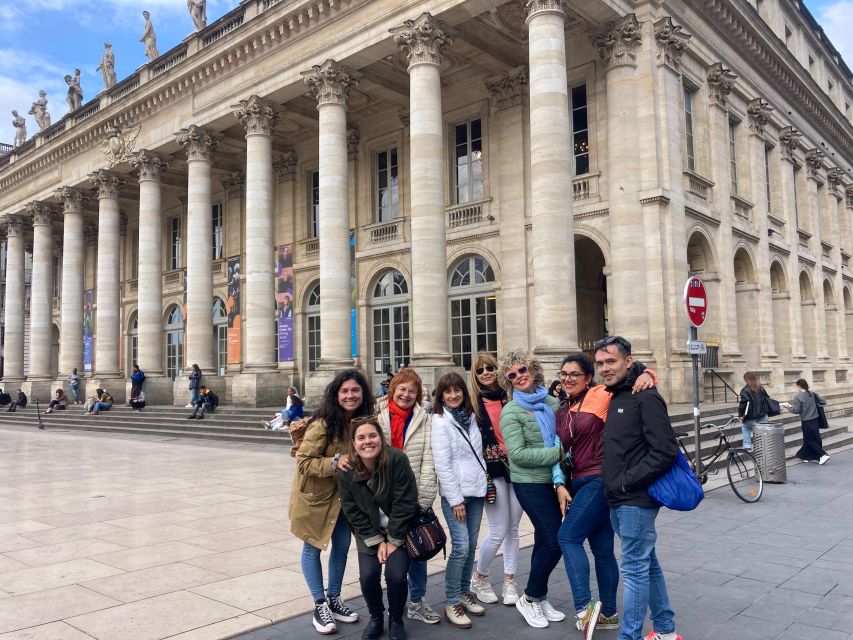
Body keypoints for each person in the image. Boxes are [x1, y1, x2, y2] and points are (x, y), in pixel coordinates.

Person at [556, 353, 656, 637]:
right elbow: (561, 450)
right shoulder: (563, 408)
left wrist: (647, 373)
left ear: (589, 378)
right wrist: (559, 484)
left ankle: (584, 609)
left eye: (575, 374)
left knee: (567, 536)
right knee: (601, 548)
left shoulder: (601, 394)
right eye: (564, 373)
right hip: (577, 481)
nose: (568, 378)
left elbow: (629, 376)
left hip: (599, 479)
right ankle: (609, 614)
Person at [596, 336, 681, 640]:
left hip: (635, 497)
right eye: (601, 363)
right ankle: (666, 630)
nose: (605, 368)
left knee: (633, 569)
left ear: (628, 361)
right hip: (618, 497)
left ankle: (629, 636)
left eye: (611, 361)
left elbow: (665, 450)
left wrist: (626, 481)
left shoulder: (645, 396)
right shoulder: (617, 395)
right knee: (647, 563)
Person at [289, 369, 374, 634]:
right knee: (312, 548)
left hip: (344, 499)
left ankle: (335, 598)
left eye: (355, 390)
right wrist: (334, 462)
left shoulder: (363, 421)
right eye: (345, 391)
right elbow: (304, 461)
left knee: (341, 546)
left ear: (363, 393)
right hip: (316, 497)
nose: (350, 396)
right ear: (336, 395)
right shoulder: (323, 423)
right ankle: (319, 604)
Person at [499, 350, 566, 629]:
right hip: (529, 482)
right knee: (555, 540)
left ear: (533, 370)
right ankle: (529, 597)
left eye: (522, 370)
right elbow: (518, 454)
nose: (519, 377)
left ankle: (538, 597)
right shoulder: (511, 411)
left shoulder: (551, 402)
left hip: (554, 481)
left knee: (543, 540)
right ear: (509, 382)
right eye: (512, 375)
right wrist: (558, 454)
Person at [338, 416, 419, 640]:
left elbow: (406, 500)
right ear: (353, 443)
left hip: (399, 529)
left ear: (381, 439)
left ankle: (395, 619)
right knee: (368, 576)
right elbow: (351, 510)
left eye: (372, 436)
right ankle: (376, 617)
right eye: (361, 437)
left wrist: (393, 540)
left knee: (396, 576)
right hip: (369, 532)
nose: (367, 441)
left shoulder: (397, 459)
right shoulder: (346, 470)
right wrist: (376, 540)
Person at [376, 368, 439, 626]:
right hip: (382, 497)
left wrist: (422, 501)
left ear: (418, 394)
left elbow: (429, 462)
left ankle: (417, 601)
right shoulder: (377, 417)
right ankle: (385, 606)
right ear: (392, 390)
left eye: (412, 390)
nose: (406, 394)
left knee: (417, 551)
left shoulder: (424, 418)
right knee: (383, 555)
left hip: (411, 498)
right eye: (402, 389)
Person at [432, 371, 488, 628]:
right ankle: (452, 599)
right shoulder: (440, 422)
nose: (453, 396)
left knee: (472, 544)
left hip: (476, 491)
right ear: (441, 395)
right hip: (456, 495)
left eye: (457, 391)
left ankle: (465, 591)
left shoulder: (472, 418)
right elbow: (442, 465)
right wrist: (455, 500)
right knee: (461, 547)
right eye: (448, 391)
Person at [468, 351, 520, 607]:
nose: (486, 372)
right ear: (475, 376)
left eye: (490, 367)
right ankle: (480, 575)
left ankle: (510, 580)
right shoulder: (472, 405)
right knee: (499, 530)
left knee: (513, 529)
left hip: (519, 468)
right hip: (492, 471)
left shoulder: (511, 395)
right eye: (480, 370)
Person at [782, 379, 830, 465]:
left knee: (809, 440)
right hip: (815, 419)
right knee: (816, 438)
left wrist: (788, 406)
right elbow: (823, 402)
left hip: (806, 421)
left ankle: (822, 455)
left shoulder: (798, 397)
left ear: (799, 386)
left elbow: (796, 410)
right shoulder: (812, 394)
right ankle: (804, 456)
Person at [737, 372, 772, 450]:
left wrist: (741, 415)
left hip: (751, 416)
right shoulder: (761, 388)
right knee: (762, 432)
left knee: (745, 428)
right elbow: (767, 399)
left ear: (746, 380)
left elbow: (744, 404)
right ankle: (762, 447)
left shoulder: (744, 390)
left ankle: (747, 446)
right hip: (763, 415)